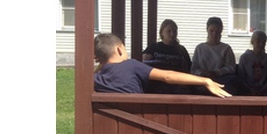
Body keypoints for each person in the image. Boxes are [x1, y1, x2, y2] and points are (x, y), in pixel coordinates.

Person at [93, 33, 230, 97]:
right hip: (137, 120)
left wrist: (101, 61)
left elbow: (96, 71)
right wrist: (205, 81)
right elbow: (167, 76)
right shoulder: (131, 65)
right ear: (119, 49)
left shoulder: (95, 78)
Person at [191, 17, 240, 94]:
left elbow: (231, 67)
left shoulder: (226, 48)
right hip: (203, 80)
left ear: (221, 31)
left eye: (217, 31)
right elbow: (194, 69)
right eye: (212, 31)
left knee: (233, 79)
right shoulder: (200, 48)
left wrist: (216, 72)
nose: (214, 34)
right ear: (207, 30)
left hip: (221, 80)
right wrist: (202, 73)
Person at [236, 30, 267, 96]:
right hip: (247, 92)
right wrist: (250, 90)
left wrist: (263, 90)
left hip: (265, 93)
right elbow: (241, 78)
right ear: (252, 41)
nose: (261, 44)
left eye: (263, 42)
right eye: (258, 41)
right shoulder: (244, 57)